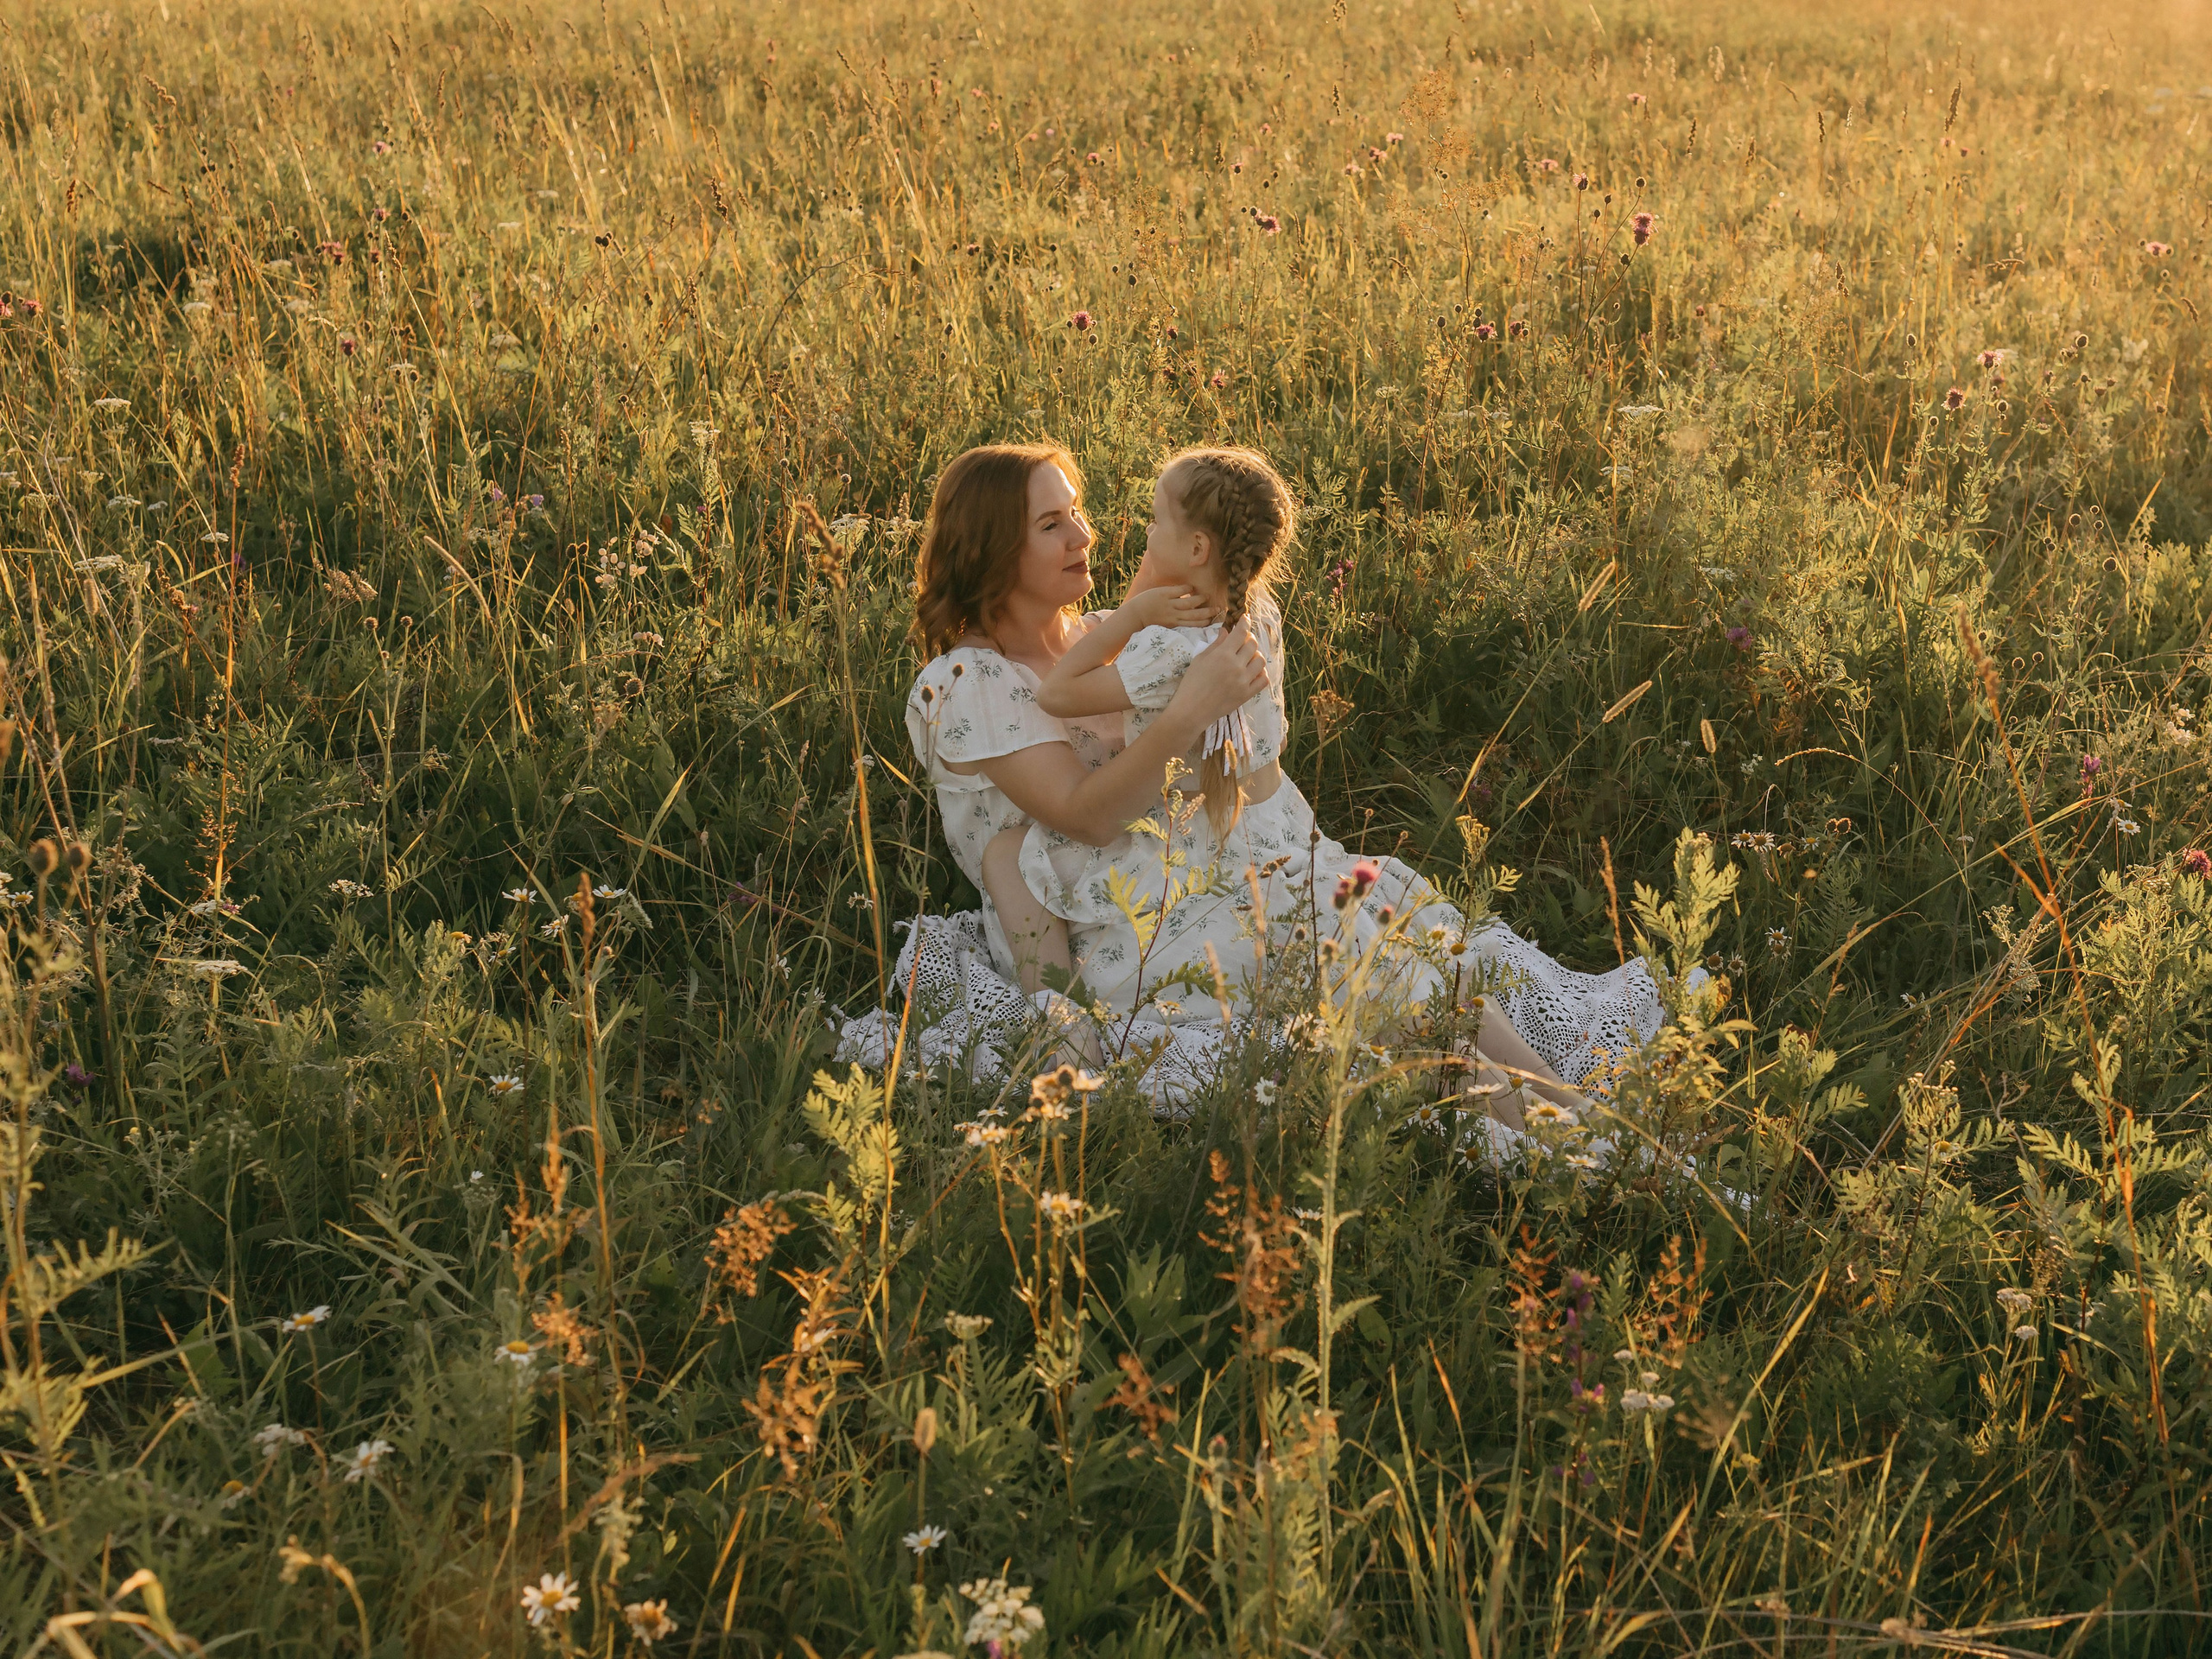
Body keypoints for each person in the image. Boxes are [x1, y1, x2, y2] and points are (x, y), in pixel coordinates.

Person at [1016, 447, 1662, 1116]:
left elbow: (1059, 691)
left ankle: (1552, 1123)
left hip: (1214, 856)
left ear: (1199, 546)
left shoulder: (1166, 645)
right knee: (1409, 964)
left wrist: (1133, 616)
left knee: (1389, 979)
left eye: (1154, 521)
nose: (1143, 534)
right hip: (1280, 830)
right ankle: (1568, 1109)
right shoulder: (1257, 615)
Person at [842, 442, 1265, 1082]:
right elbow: (1084, 817)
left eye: (1076, 511)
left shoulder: (1105, 635)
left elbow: (1196, 568)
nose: (1083, 535)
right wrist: (1187, 714)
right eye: (1051, 525)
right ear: (992, 551)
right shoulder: (963, 681)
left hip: (1174, 874)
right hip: (1085, 934)